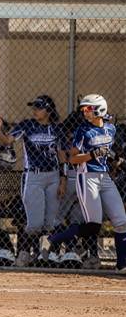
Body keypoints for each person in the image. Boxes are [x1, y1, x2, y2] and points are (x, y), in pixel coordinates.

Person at [0, 95, 61, 267]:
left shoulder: (56, 128)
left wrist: (64, 179)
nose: (35, 110)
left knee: (51, 222)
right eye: (34, 107)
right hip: (34, 177)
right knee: (35, 223)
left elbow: (61, 154)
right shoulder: (27, 125)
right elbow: (7, 140)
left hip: (54, 176)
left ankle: (43, 257)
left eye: (39, 107)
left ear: (49, 110)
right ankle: (23, 252)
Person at [67, 94, 126, 273]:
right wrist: (93, 155)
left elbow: (108, 151)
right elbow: (73, 158)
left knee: (121, 221)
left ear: (99, 109)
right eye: (84, 109)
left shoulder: (111, 129)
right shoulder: (83, 131)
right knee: (94, 225)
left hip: (105, 177)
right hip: (87, 176)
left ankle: (122, 265)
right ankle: (56, 239)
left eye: (88, 109)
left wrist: (117, 160)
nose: (85, 112)